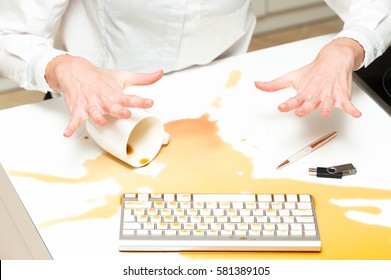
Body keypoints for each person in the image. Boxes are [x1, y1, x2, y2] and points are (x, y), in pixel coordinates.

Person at [0, 1, 390, 138]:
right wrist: (61, 66)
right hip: (98, 106)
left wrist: (346, 46)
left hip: (222, 96)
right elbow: (9, 30)